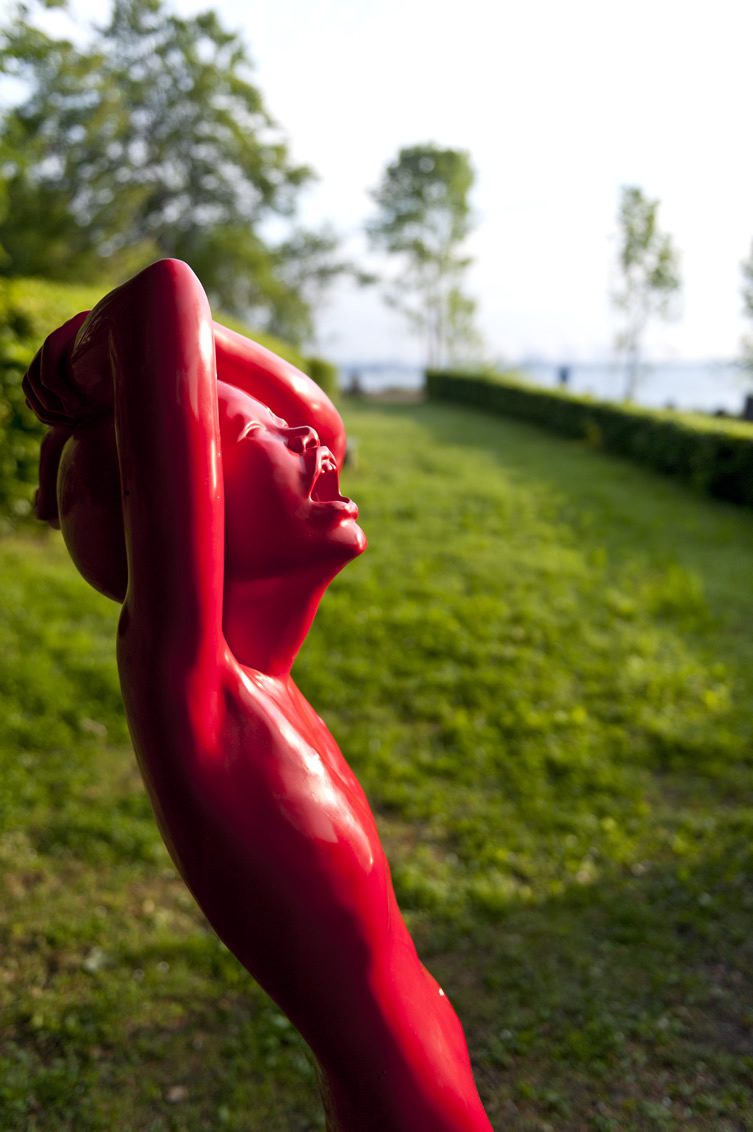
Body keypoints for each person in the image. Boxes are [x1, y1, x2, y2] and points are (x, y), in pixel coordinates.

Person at [23, 259, 493, 1132]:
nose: (314, 444)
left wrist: (94, 375)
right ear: (209, 513)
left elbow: (319, 414)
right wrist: (84, 360)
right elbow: (165, 298)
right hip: (404, 1099)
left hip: (417, 1054)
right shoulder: (197, 686)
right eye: (270, 443)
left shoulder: (264, 664)